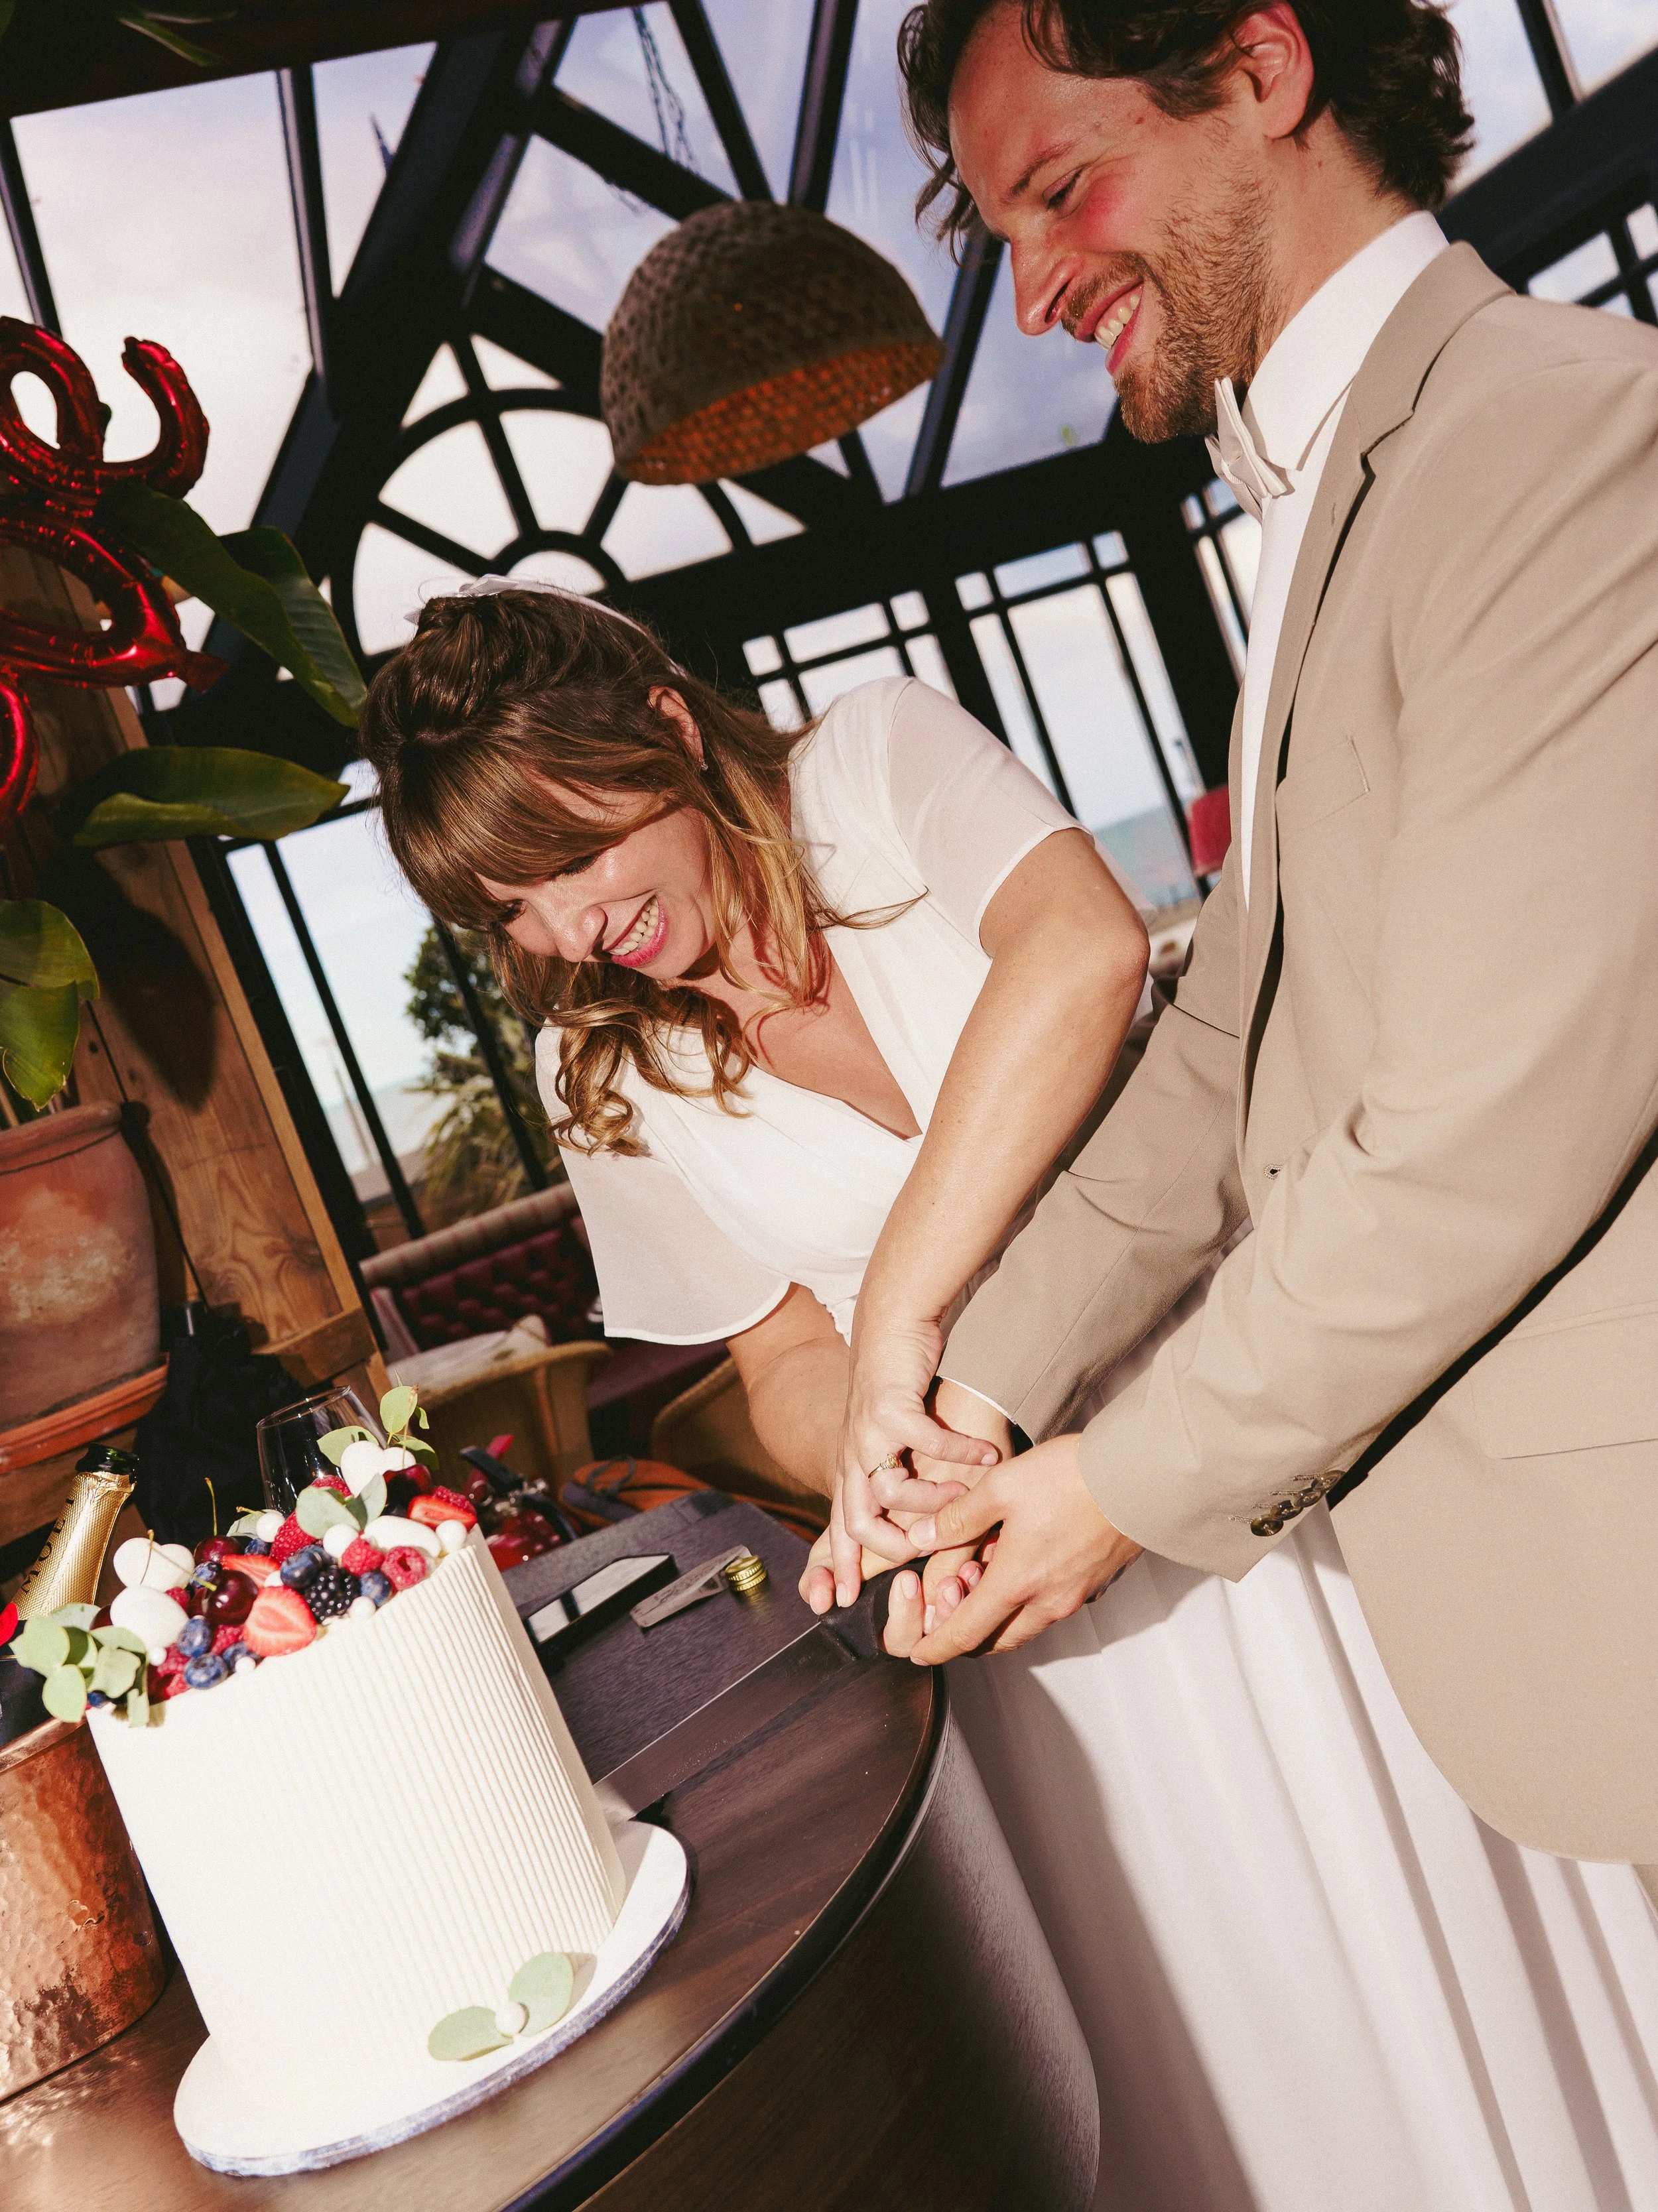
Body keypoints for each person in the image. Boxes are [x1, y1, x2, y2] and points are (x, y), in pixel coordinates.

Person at [813, 1, 1658, 2206]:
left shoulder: (1554, 433)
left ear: (1264, 71)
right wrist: (962, 1393)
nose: (1030, 289)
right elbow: (1232, 1032)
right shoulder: (1306, 487)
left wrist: (1122, 1484)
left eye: (1058, 193)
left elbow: (1483, 1132)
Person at [357, 580, 1149, 1636]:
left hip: (1209, 1377)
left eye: (573, 858)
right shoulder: (595, 1069)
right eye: (512, 907)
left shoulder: (877, 759)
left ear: (669, 728)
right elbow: (780, 1359)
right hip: (988, 1533)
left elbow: (1084, 948)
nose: (570, 930)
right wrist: (895, 1481)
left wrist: (897, 1317)